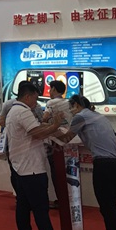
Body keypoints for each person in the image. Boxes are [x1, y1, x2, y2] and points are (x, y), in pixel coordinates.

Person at [5, 81, 77, 230]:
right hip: (31, 168)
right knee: (40, 207)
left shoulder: (14, 110)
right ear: (28, 96)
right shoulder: (23, 111)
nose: (36, 103)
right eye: (35, 98)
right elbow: (37, 132)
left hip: (20, 166)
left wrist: (53, 128)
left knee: (23, 205)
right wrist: (55, 126)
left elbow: (36, 129)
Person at [58, 95, 116, 230]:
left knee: (107, 207)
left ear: (76, 105)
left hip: (104, 165)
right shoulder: (97, 116)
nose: (70, 111)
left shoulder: (80, 116)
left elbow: (66, 138)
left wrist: (52, 127)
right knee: (111, 206)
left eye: (70, 107)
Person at [42, 80, 72, 208]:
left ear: (54, 89)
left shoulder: (51, 103)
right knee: (67, 172)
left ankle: (61, 200)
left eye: (50, 89)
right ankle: (68, 199)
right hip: (68, 139)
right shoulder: (69, 102)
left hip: (55, 141)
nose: (49, 91)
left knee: (56, 172)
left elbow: (44, 118)